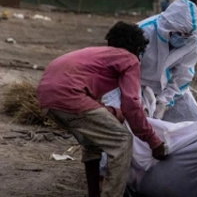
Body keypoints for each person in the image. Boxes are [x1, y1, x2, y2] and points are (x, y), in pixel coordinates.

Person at [37, 22, 167, 197]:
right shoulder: (129, 59)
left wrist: (112, 113)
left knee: (92, 142)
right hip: (70, 97)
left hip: (46, 99)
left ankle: (94, 193)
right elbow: (131, 104)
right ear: (137, 49)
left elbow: (91, 102)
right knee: (121, 141)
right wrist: (154, 141)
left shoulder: (96, 55)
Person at [138, 0, 197, 123]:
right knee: (139, 123)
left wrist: (164, 101)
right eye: (179, 33)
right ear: (168, 26)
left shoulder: (191, 40)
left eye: (187, 35)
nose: (182, 38)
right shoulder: (144, 32)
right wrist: (139, 101)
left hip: (168, 90)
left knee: (196, 121)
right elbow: (128, 69)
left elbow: (183, 75)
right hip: (138, 85)